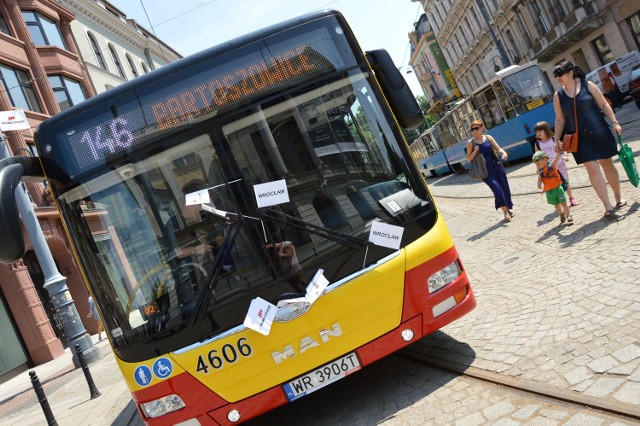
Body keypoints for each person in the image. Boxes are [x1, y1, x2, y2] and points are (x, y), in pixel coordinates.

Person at [552, 61, 625, 219]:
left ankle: (618, 197)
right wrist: (556, 140)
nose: (558, 78)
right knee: (592, 169)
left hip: (599, 131)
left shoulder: (588, 85)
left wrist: (614, 122)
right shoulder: (558, 96)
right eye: (555, 76)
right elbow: (559, 120)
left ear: (570, 73)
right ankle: (607, 205)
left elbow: (604, 104)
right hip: (579, 139)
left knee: (607, 164)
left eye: (560, 74)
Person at [466, 119, 514, 222]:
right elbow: (469, 158)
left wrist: (504, 153)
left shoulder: (488, 138)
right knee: (497, 189)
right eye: (472, 129)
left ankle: (507, 208)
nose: (474, 131)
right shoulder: (470, 143)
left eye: (476, 128)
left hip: (496, 166)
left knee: (504, 187)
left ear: (481, 128)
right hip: (485, 171)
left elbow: (498, 149)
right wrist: (474, 152)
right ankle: (505, 213)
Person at [534, 121, 578, 206]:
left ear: (546, 130)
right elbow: (537, 157)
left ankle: (571, 198)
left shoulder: (554, 139)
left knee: (565, 181)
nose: (538, 133)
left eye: (540, 131)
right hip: (549, 167)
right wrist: (538, 169)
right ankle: (560, 199)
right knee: (554, 183)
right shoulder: (537, 143)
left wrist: (565, 155)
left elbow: (563, 147)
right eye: (536, 132)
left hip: (560, 163)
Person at [533, 150, 574, 225]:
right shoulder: (540, 171)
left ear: (545, 159)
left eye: (538, 163)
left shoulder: (551, 165)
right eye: (536, 164)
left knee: (563, 203)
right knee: (556, 204)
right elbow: (539, 179)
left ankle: (568, 215)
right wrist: (538, 183)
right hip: (549, 191)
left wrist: (558, 154)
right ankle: (561, 214)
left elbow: (556, 160)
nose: (537, 165)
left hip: (558, 188)